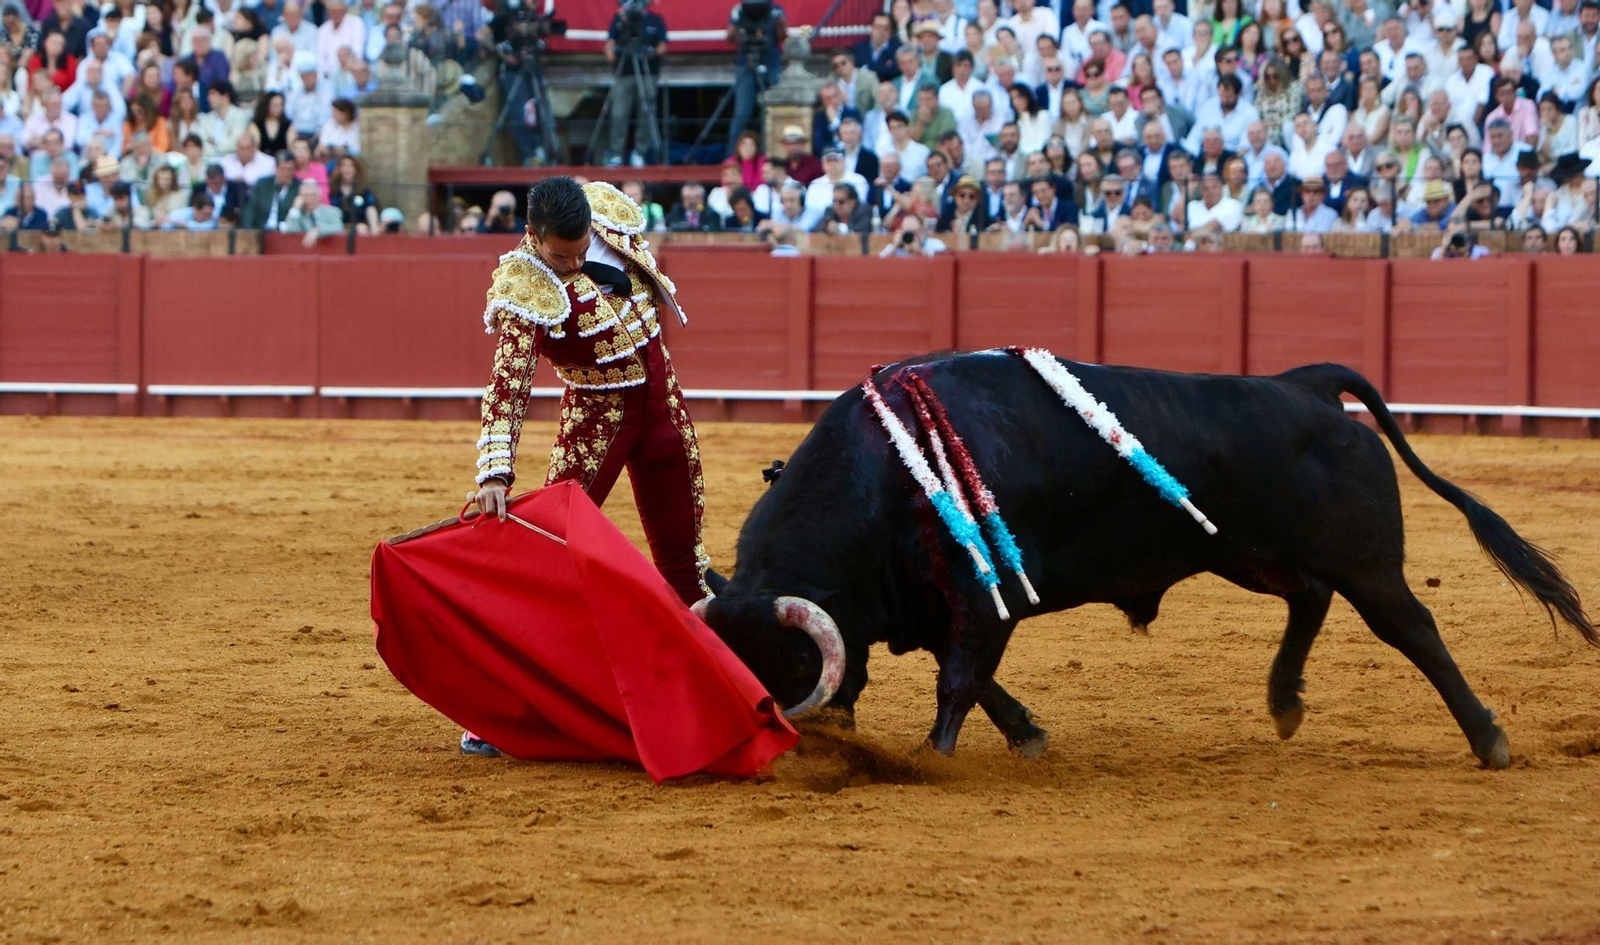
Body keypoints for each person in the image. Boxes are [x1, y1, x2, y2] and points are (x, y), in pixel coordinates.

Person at [466, 178, 714, 754]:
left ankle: (710, 689)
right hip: (596, 420)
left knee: (684, 558)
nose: (575, 264)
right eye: (562, 256)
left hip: (663, 405)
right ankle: (505, 708)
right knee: (550, 557)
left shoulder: (604, 212)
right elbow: (510, 381)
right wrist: (496, 470)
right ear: (533, 235)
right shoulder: (523, 281)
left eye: (582, 252)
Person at [601, 0, 666, 166]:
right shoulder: (621, 19)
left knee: (646, 112)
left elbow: (662, 46)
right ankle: (616, 154)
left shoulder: (655, 19)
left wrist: (651, 52)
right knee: (619, 113)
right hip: (624, 73)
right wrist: (611, 53)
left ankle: (640, 152)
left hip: (647, 73)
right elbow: (610, 43)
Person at [725, 0, 786, 153]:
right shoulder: (739, 9)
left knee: (774, 109)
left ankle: (773, 153)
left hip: (771, 63)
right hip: (746, 63)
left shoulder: (776, 10)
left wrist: (780, 25)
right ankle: (732, 156)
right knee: (742, 113)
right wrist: (737, 30)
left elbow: (782, 37)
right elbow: (730, 37)